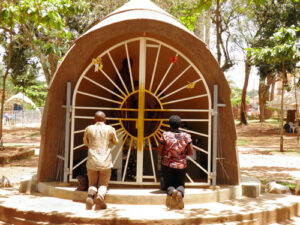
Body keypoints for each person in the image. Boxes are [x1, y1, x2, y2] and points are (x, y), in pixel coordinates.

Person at [83, 111, 119, 210]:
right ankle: (100, 197)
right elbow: (116, 142)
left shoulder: (88, 129)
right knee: (103, 184)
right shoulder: (110, 129)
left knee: (92, 183)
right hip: (105, 162)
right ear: (105, 119)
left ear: (94, 119)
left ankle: (90, 195)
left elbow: (85, 143)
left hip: (92, 161)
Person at [158, 115, 193, 209]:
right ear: (180, 124)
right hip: (181, 165)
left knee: (168, 184)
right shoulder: (186, 136)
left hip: (167, 164)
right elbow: (190, 152)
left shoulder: (165, 135)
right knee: (181, 185)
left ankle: (173, 192)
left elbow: (159, 152)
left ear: (169, 125)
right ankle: (180, 193)